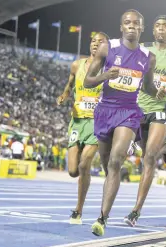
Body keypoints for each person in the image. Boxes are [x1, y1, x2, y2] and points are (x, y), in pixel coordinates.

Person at [84, 9, 165, 236]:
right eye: (127, 23)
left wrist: (155, 91)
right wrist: (105, 76)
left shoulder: (148, 57)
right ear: (121, 27)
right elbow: (87, 81)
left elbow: (147, 86)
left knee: (116, 160)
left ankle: (102, 218)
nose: (131, 26)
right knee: (106, 163)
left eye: (136, 23)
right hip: (104, 111)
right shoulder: (107, 47)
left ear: (141, 28)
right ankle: (107, 200)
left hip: (129, 112)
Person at [125, 15, 166, 226]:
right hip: (139, 107)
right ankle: (165, 149)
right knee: (145, 154)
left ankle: (136, 211)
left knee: (149, 159)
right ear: (153, 31)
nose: (161, 29)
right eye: (158, 26)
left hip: (161, 109)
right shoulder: (142, 48)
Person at [57, 32, 109, 224]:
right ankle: (83, 177)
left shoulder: (109, 68)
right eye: (93, 41)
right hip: (77, 121)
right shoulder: (77, 65)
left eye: (100, 42)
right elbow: (70, 83)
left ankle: (78, 210)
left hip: (97, 123)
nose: (95, 44)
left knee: (85, 163)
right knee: (73, 171)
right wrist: (64, 95)